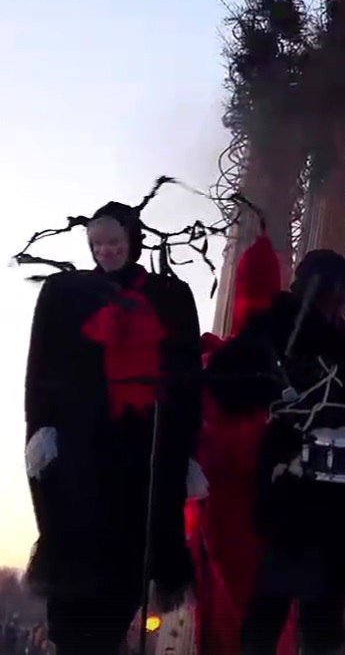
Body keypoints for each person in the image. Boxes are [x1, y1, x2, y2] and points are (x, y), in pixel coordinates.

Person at [24, 200, 204, 654]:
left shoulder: (170, 296)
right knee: (75, 556)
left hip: (146, 445)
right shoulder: (65, 293)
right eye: (96, 244)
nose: (105, 251)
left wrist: (188, 451)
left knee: (131, 561)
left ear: (132, 241)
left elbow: (187, 375)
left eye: (113, 242)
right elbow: (41, 362)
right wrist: (40, 426)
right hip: (81, 442)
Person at [206, 248, 345, 655]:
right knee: (282, 595)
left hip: (336, 488)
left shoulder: (330, 334)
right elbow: (229, 380)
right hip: (295, 481)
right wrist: (274, 393)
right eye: (343, 294)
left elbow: (343, 403)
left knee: (318, 602)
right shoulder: (280, 330)